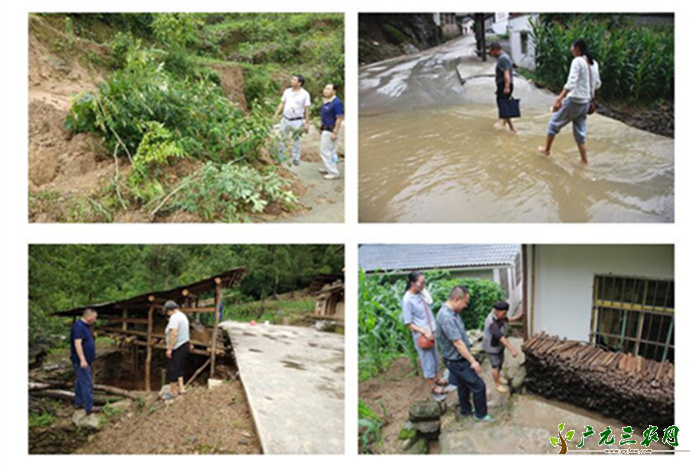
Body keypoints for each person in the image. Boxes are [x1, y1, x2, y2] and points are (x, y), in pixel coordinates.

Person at [538, 38, 602, 165]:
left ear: (577, 48)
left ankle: (546, 150)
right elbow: (598, 84)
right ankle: (584, 161)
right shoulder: (593, 63)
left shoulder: (577, 61)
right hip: (586, 103)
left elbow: (571, 83)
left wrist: (559, 99)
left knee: (553, 125)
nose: (571, 50)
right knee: (580, 133)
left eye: (572, 47)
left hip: (574, 101)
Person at [436, 286, 494, 422]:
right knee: (479, 386)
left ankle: (465, 410)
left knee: (463, 385)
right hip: (457, 360)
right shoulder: (447, 317)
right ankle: (481, 415)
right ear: (457, 299)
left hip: (454, 358)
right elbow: (457, 343)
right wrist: (472, 361)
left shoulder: (451, 313)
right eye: (465, 303)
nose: (465, 306)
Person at [402, 271, 449, 397]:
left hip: (431, 331)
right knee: (427, 360)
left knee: (434, 356)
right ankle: (432, 386)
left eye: (424, 282)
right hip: (422, 335)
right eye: (421, 283)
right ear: (412, 283)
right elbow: (408, 323)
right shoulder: (407, 300)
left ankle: (438, 379)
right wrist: (424, 331)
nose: (424, 285)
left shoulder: (421, 293)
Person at [482, 301, 523, 394]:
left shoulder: (501, 317)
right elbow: (500, 337)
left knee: (500, 363)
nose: (505, 315)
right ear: (496, 311)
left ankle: (498, 377)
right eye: (503, 313)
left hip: (498, 346)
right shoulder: (492, 322)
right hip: (491, 347)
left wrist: (518, 317)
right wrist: (512, 349)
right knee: (495, 366)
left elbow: (507, 320)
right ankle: (497, 384)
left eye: (506, 313)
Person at [273, 74, 311, 166]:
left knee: (296, 139)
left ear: (299, 83)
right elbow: (282, 103)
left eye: (294, 79)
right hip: (285, 118)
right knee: (282, 138)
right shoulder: (287, 91)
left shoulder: (305, 94)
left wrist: (307, 122)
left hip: (297, 120)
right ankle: (281, 157)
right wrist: (276, 114)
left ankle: (296, 158)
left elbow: (307, 109)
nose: (291, 81)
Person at [70, 308, 99, 414]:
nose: (95, 320)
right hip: (81, 361)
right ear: (89, 317)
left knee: (79, 382)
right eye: (94, 318)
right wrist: (82, 360)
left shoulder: (85, 327)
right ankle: (89, 407)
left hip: (86, 359)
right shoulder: (78, 326)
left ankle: (79, 402)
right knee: (87, 383)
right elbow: (77, 343)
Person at [163, 300, 191, 400]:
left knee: (173, 368)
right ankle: (181, 388)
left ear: (170, 310)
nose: (167, 315)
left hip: (178, 346)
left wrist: (169, 349)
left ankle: (172, 392)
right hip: (185, 344)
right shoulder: (182, 316)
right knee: (179, 367)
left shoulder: (174, 318)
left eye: (167, 312)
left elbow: (173, 333)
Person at [489, 42, 517, 134]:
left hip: (504, 85)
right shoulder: (505, 56)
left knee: (503, 106)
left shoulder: (502, 59)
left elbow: (506, 73)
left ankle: (512, 129)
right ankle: (505, 122)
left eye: (491, 51)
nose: (490, 53)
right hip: (505, 85)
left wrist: (506, 86)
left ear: (495, 50)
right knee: (504, 105)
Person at [318, 83, 344, 180]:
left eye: (328, 89)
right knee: (332, 151)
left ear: (334, 91)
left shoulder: (336, 103)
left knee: (325, 151)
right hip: (326, 128)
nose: (326, 90)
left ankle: (334, 172)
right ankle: (329, 168)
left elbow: (339, 118)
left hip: (331, 130)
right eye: (325, 88)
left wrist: (335, 132)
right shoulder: (327, 102)